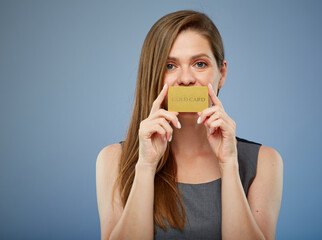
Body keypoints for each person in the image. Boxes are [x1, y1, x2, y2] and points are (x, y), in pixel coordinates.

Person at [96, 10, 283, 240]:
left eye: (200, 64)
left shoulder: (264, 162)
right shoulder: (113, 160)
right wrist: (145, 166)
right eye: (170, 66)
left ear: (222, 73)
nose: (185, 79)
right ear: (152, 74)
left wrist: (228, 165)